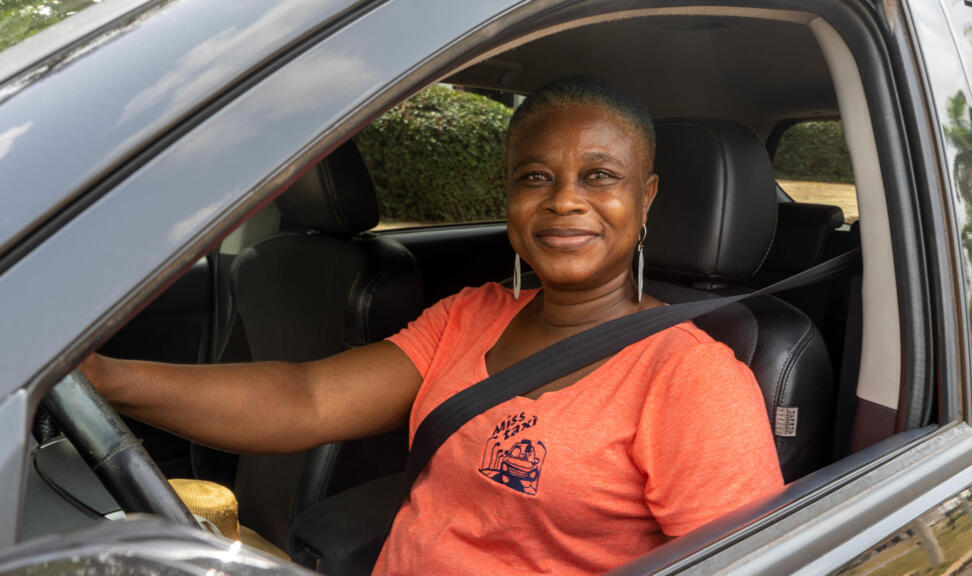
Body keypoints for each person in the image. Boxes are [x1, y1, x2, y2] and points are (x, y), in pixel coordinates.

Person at [80, 76, 783, 575]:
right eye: (535, 177)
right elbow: (307, 398)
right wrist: (104, 378)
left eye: (600, 175)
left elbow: (753, 564)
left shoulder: (692, 380)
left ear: (646, 196)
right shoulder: (471, 314)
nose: (564, 201)